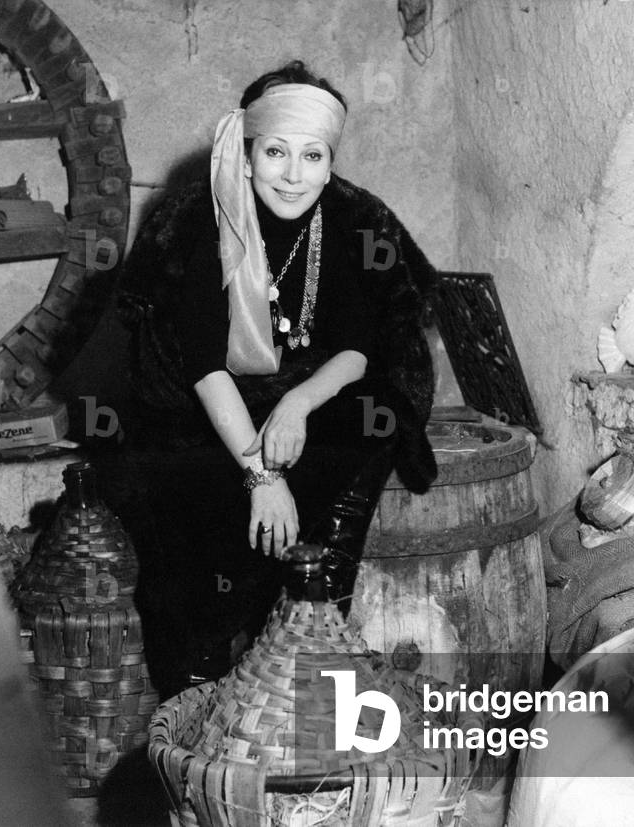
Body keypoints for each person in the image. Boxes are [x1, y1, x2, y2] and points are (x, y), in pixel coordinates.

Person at [110, 61, 439, 699]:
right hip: (197, 407)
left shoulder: (348, 221)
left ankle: (316, 617)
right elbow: (203, 368)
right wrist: (262, 476)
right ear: (247, 150)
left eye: (313, 156)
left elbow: (358, 347)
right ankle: (200, 688)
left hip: (301, 392)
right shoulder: (198, 224)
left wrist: (295, 404)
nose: (294, 175)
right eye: (276, 153)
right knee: (190, 526)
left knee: (364, 428)